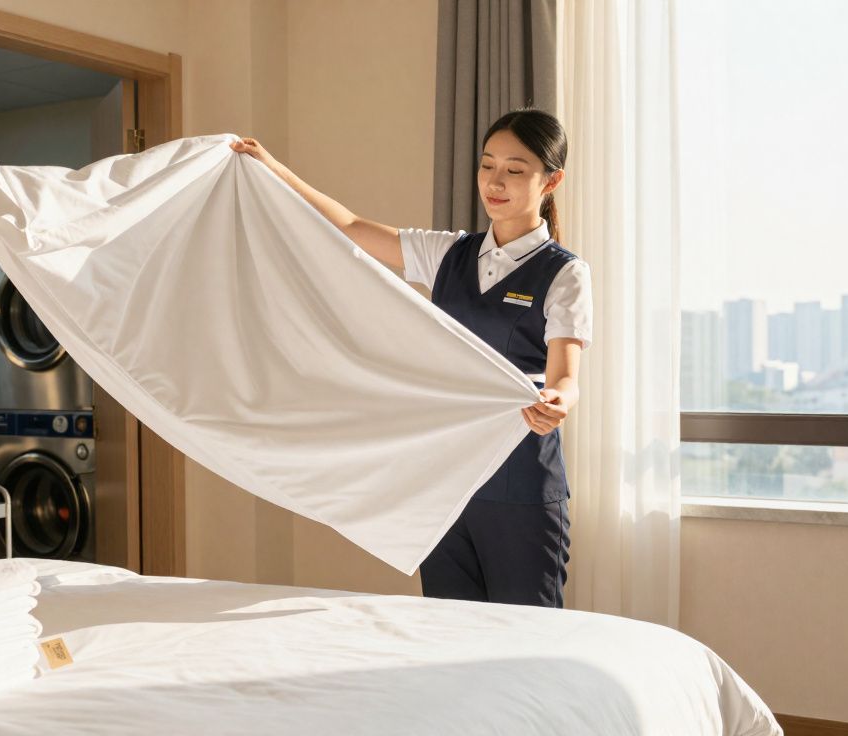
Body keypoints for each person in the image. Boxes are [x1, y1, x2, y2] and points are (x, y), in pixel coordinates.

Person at [230, 109, 590, 608]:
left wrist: (557, 401)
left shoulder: (564, 273)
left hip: (521, 482)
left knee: (525, 639)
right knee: (445, 633)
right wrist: (271, 168)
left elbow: (565, 374)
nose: (495, 181)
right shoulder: (451, 254)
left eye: (515, 169)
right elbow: (352, 226)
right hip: (446, 482)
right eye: (487, 166)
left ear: (552, 180)